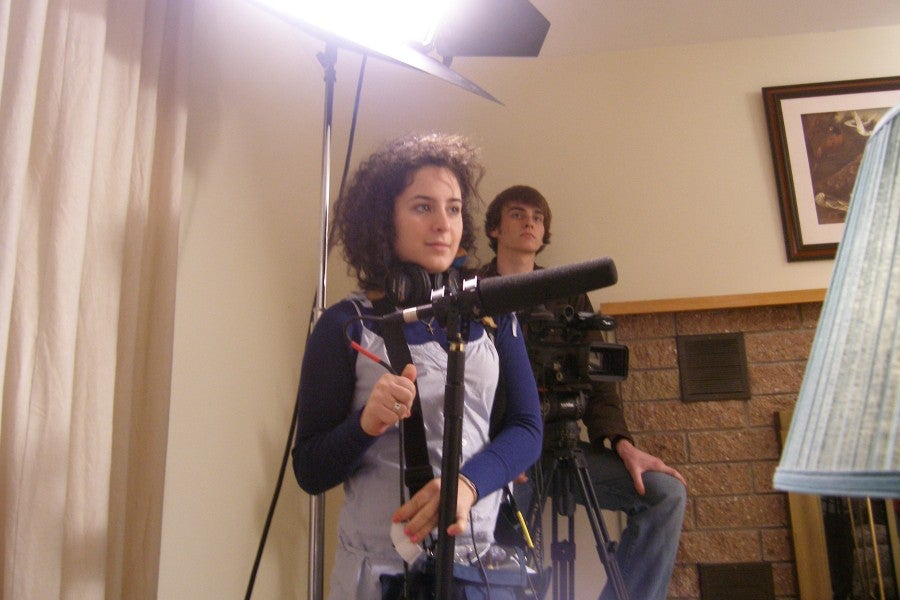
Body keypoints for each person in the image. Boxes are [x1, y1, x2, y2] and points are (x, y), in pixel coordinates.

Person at [292, 134, 544, 599]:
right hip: (379, 573)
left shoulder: (494, 315)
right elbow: (309, 470)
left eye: (452, 208)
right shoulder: (346, 324)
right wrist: (366, 424)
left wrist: (468, 484)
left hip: (476, 571)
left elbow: (528, 428)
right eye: (422, 207)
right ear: (384, 222)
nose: (443, 224)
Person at [479, 185, 687, 600]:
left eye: (537, 218)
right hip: (500, 453)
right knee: (498, 548)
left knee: (666, 494)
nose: (529, 223)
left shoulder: (569, 294)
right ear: (495, 229)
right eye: (518, 214)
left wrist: (622, 443)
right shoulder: (473, 293)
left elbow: (598, 379)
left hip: (564, 444)